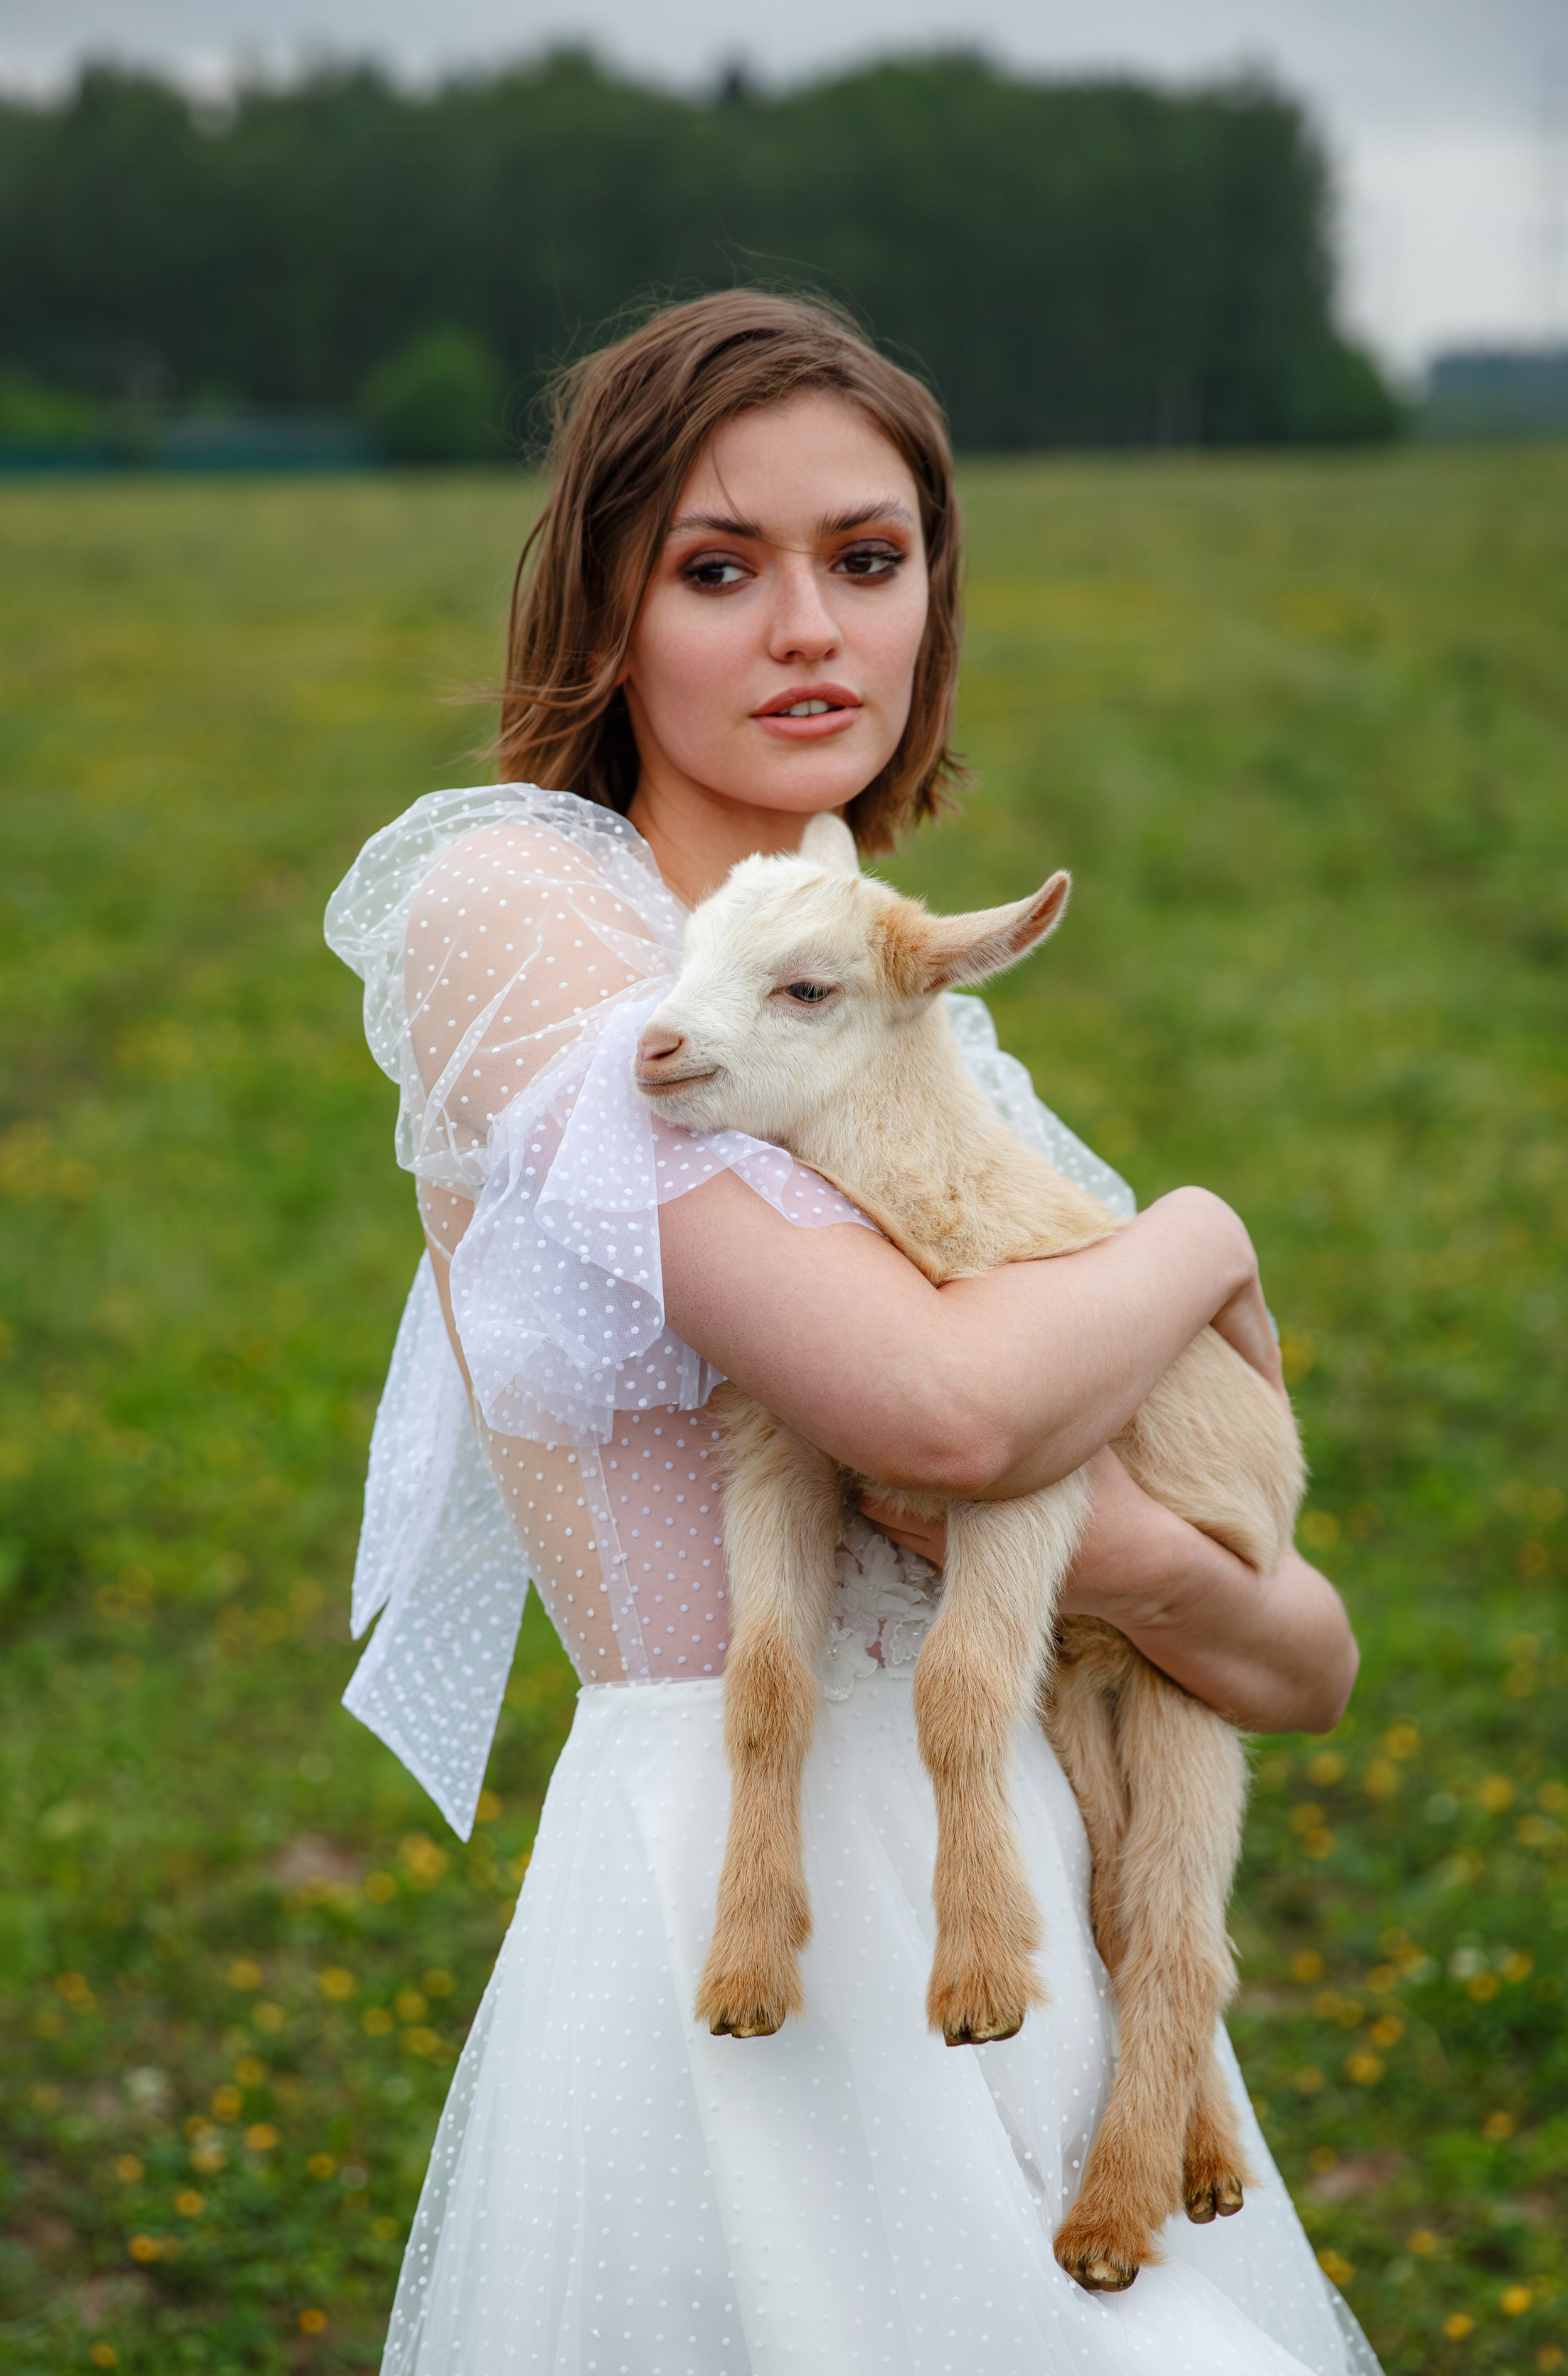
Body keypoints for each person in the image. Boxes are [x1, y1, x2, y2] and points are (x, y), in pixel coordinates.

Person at [326, 290, 1380, 2376]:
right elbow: (936, 1410)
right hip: (765, 1881)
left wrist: (1147, 1562)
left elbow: (1308, 1654)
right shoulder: (531, 924)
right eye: (721, 570)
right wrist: (1198, 1236)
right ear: (607, 616)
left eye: (869, 561)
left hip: (1041, 1910)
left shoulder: (930, 1040)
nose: (812, 626)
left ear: (930, 607)